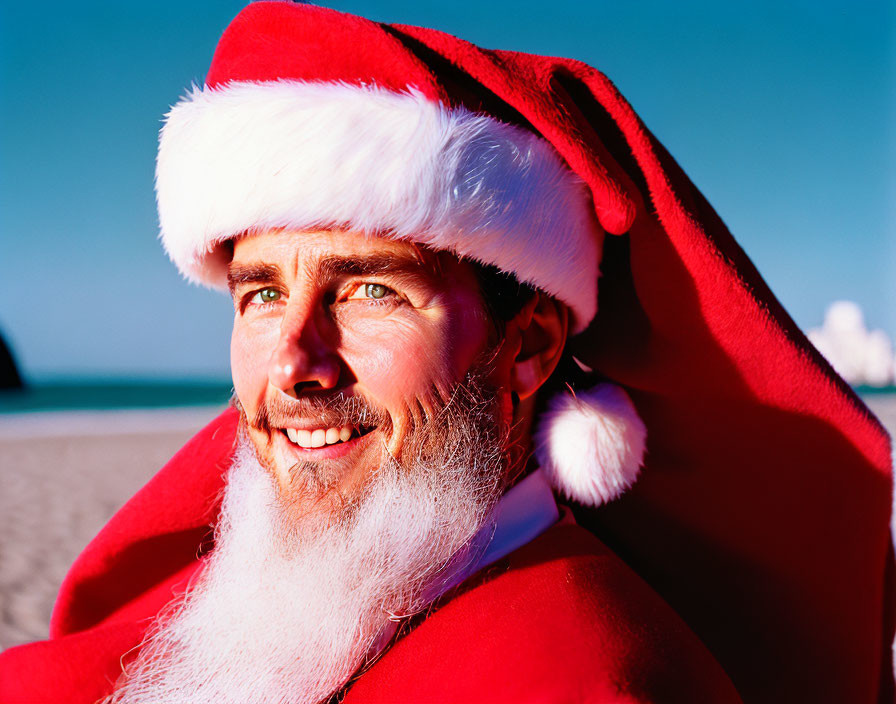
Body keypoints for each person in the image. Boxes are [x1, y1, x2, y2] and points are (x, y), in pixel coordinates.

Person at [1, 3, 893, 702]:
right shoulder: (270, 595)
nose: (292, 365)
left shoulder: (588, 684)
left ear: (530, 345)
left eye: (370, 291)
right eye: (263, 295)